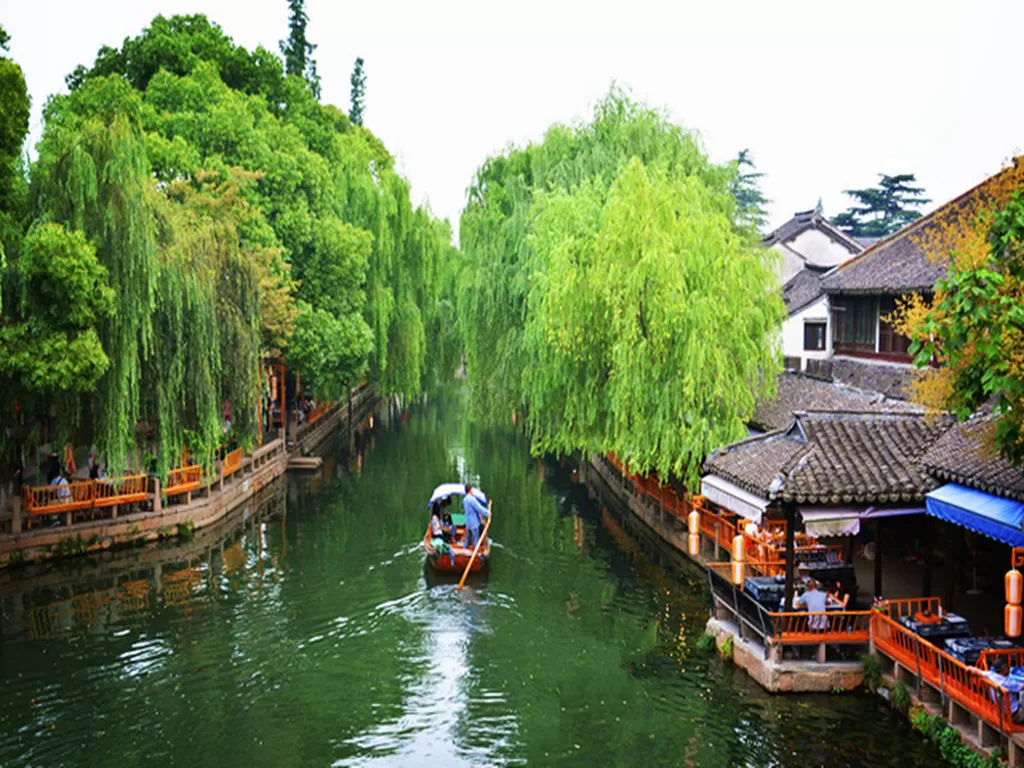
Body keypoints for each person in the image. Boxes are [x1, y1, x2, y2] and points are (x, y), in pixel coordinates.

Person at [462, 484, 490, 550]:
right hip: (474, 524)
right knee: (475, 542)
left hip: (468, 524)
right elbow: (479, 508)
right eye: (472, 489)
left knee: (467, 540)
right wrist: (488, 513)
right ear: (470, 490)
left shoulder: (465, 499)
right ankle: (476, 555)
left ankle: (464, 550)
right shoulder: (471, 499)